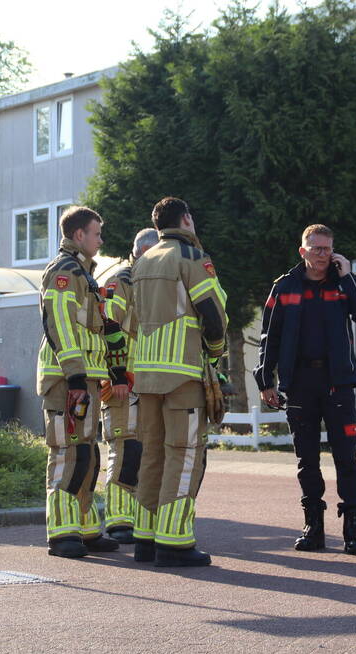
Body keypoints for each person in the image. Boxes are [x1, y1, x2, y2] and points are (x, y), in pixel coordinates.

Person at [253, 224, 356, 555]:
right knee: (306, 459)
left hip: (339, 384)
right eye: (316, 249)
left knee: (346, 457)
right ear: (303, 251)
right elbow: (270, 337)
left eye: (328, 249)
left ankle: (354, 529)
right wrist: (265, 381)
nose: (323, 255)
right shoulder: (285, 287)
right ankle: (313, 527)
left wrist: (348, 276)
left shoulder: (343, 284)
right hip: (300, 386)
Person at [129, 197, 228, 567]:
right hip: (183, 374)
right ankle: (174, 542)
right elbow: (212, 314)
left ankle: (145, 538)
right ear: (186, 219)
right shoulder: (190, 257)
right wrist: (216, 353)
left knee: (151, 454)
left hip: (147, 375)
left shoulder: (142, 261)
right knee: (184, 454)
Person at [36, 206, 125, 559]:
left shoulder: (83, 274)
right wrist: (75, 376)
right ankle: (62, 534)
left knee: (87, 454)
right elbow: (59, 324)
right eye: (96, 233)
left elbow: (94, 328)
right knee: (68, 454)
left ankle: (86, 530)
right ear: (78, 236)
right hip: (66, 379)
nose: (100, 240)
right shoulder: (64, 272)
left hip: (84, 379)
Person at [97, 227, 160, 544]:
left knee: (145, 452)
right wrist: (117, 375)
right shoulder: (122, 281)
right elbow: (107, 326)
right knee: (126, 450)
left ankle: (136, 517)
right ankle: (119, 520)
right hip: (125, 382)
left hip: (149, 383)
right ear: (139, 253)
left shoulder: (155, 283)